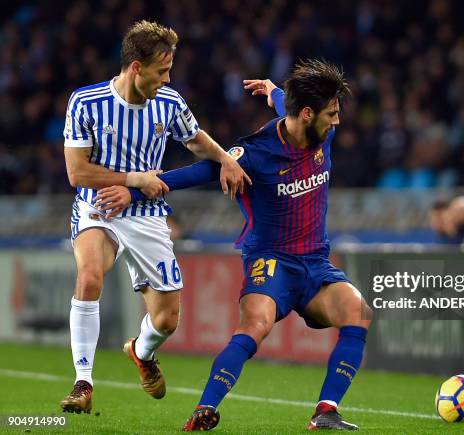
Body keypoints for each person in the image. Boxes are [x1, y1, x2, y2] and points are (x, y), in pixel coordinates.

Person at [96, 59, 372, 431]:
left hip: (315, 264)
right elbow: (204, 170)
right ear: (307, 114)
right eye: (332, 113)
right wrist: (134, 189)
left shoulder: (320, 132)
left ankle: (326, 411)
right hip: (270, 261)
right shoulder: (255, 152)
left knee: (358, 312)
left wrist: (273, 90)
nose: (337, 122)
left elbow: (282, 102)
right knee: (255, 327)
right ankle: (204, 409)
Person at [60, 20, 250, 414]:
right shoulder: (86, 102)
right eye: (161, 71)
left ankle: (141, 352)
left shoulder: (170, 103)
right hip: (101, 207)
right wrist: (133, 179)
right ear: (135, 68)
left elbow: (196, 140)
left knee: (166, 321)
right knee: (90, 275)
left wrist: (226, 159)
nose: (167, 78)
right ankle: (83, 382)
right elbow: (77, 173)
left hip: (147, 215)